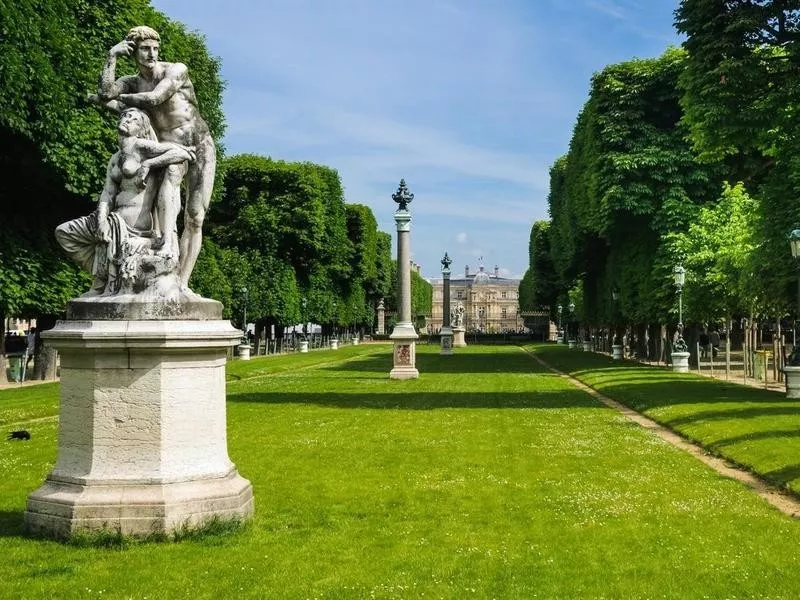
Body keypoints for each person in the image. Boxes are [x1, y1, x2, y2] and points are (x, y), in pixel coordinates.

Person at [96, 25, 216, 290]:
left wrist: (121, 100)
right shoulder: (132, 80)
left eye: (155, 48)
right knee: (168, 183)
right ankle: (166, 248)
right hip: (166, 147)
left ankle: (182, 283)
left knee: (195, 216)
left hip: (199, 144)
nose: (152, 54)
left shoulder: (176, 70)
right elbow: (106, 92)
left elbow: (155, 97)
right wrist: (111, 56)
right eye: (145, 49)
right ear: (133, 51)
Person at [56, 108, 195, 295]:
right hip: (112, 219)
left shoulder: (142, 147)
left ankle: (102, 280)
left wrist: (148, 164)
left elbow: (182, 153)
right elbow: (107, 193)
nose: (127, 120)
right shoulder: (115, 158)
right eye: (125, 116)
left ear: (141, 128)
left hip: (135, 226)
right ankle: (102, 275)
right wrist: (101, 221)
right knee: (64, 232)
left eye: (134, 119)